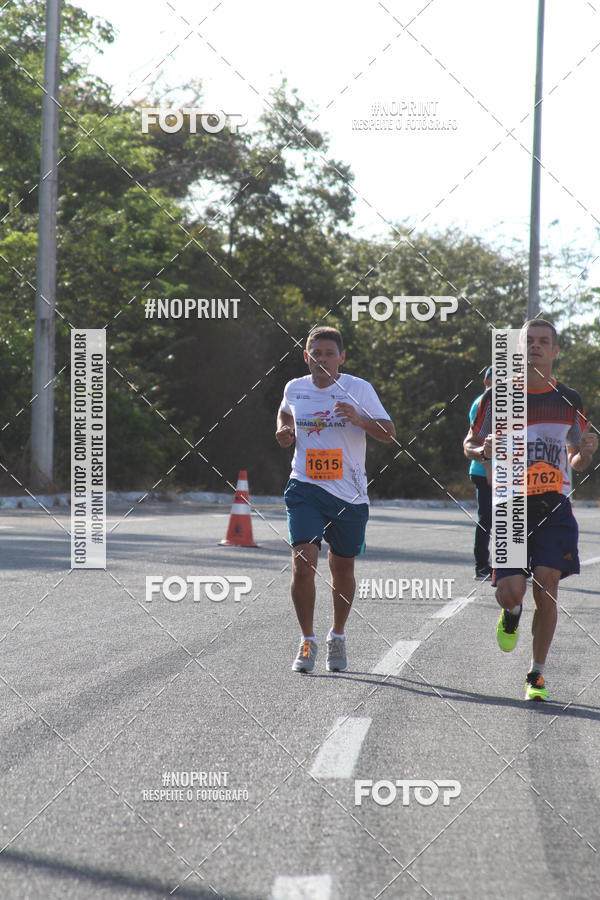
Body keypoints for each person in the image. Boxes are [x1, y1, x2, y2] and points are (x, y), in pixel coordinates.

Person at [463, 319, 598, 701]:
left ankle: (536, 674)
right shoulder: (497, 397)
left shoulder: (569, 399)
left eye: (543, 341)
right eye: (529, 341)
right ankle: (511, 613)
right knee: (512, 593)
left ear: (555, 350)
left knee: (547, 585)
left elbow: (576, 458)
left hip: (554, 505)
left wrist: (586, 453)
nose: (535, 347)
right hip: (510, 506)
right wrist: (483, 450)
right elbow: (469, 443)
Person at [276, 326, 395, 673]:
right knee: (304, 562)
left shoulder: (359, 389)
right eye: (316, 353)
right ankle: (307, 640)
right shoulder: (295, 388)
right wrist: (284, 430)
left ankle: (337, 635)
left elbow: (389, 433)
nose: (322, 360)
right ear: (306, 357)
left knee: (342, 569)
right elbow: (285, 412)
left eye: (329, 354)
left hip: (349, 494)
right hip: (305, 487)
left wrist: (359, 419)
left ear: (341, 358)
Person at [468, 366, 494, 579]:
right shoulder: (481, 403)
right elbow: (478, 440)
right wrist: (488, 468)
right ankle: (482, 566)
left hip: (503, 471)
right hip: (483, 470)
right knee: (486, 518)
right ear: (486, 382)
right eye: (495, 379)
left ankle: (515, 564)